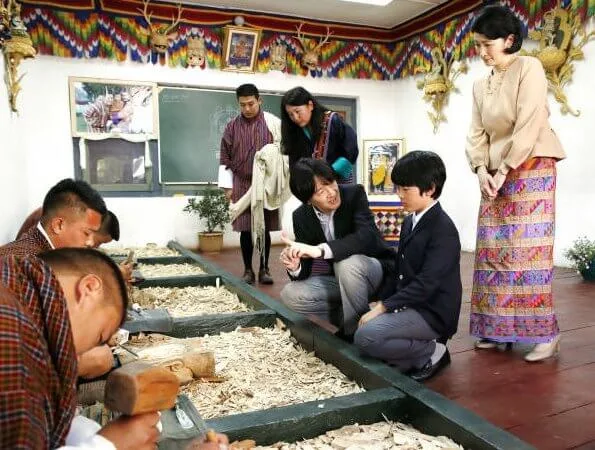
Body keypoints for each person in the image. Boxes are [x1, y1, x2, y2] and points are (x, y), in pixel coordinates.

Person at [466, 5, 566, 362]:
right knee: (493, 253)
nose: (481, 52)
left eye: (486, 44)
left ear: (509, 40)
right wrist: (480, 169)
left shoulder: (530, 67)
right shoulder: (481, 85)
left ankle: (546, 334)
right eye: (477, 45)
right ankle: (496, 330)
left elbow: (528, 122)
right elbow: (476, 133)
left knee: (527, 253)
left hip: (531, 164)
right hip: (492, 172)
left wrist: (504, 169)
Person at [0, 247, 160, 449]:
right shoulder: (10, 329)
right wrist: (109, 444)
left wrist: (87, 434)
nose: (82, 354)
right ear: (90, 288)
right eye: (99, 337)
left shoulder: (14, 279)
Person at [354, 151, 461, 382]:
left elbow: (427, 283)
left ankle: (434, 351)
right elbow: (398, 269)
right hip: (412, 305)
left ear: (430, 188)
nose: (399, 194)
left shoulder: (443, 229)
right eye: (397, 188)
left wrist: (385, 308)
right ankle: (415, 356)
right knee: (364, 325)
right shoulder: (410, 220)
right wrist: (383, 301)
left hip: (432, 312)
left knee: (366, 336)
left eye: (405, 189)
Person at [0, 179, 122, 380]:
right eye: (86, 233)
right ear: (58, 225)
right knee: (101, 358)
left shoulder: (39, 248)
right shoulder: (28, 264)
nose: (90, 242)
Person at [279, 158, 396, 338]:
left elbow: (366, 237)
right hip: (343, 282)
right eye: (320, 191)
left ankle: (355, 336)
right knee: (290, 294)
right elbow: (305, 269)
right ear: (308, 200)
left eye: (330, 182)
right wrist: (295, 266)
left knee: (346, 263)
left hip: (375, 274)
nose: (331, 192)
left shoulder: (354, 194)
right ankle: (355, 319)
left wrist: (320, 250)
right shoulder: (301, 216)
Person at [218, 83, 281, 285]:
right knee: (245, 229)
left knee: (265, 228)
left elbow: (283, 153)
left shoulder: (272, 124)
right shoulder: (232, 127)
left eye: (251, 104)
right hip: (241, 183)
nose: (247, 108)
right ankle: (248, 270)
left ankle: (264, 269)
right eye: (242, 104)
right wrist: (228, 187)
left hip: (267, 184)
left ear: (259, 100)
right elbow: (224, 158)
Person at [281, 87, 358, 183]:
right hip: (311, 188)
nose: (295, 118)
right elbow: (295, 166)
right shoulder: (294, 132)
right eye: (290, 114)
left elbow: (350, 150)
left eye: (297, 111)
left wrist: (330, 173)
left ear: (310, 105)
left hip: (337, 183)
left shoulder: (332, 121)